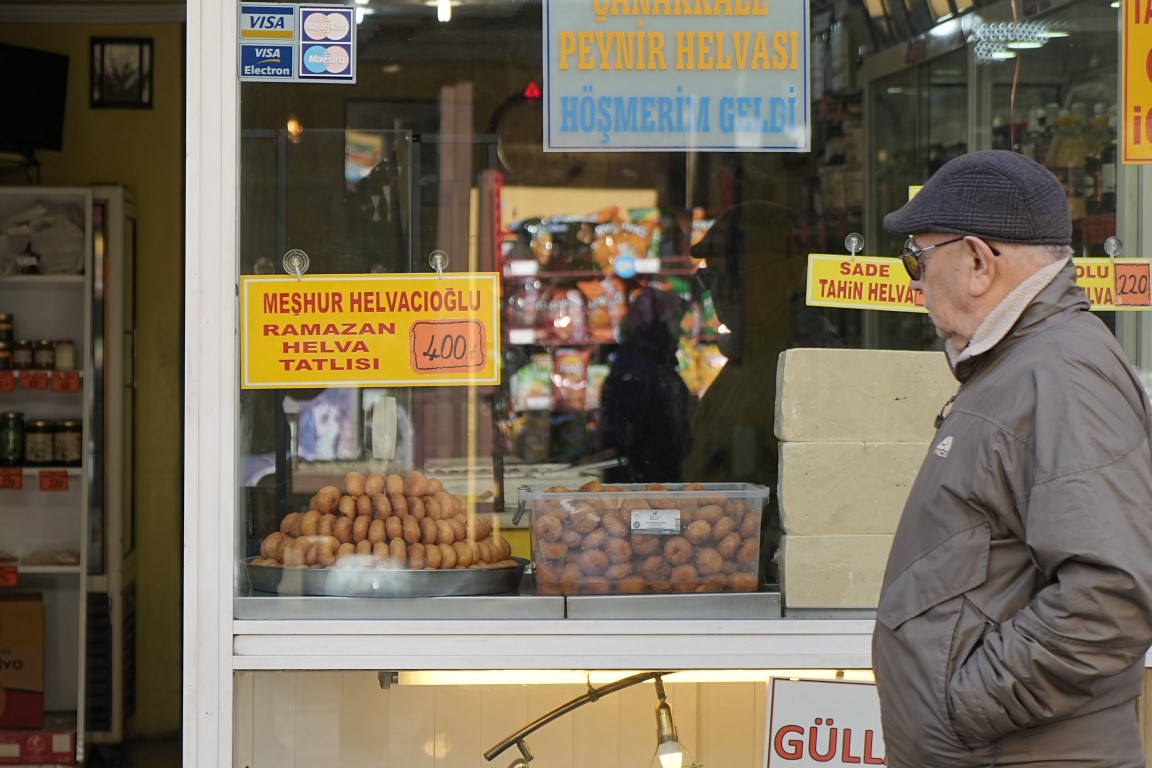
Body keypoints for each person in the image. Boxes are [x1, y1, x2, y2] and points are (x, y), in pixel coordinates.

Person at [872, 150, 1152, 767]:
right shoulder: (1031, 363)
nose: (913, 281)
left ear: (976, 260)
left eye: (917, 257)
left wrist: (967, 710)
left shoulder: (1061, 372)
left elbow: (1110, 598)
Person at [599, 285, 691, 483]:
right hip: (647, 489)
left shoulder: (634, 368)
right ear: (657, 324)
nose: (681, 330)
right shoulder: (644, 375)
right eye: (675, 320)